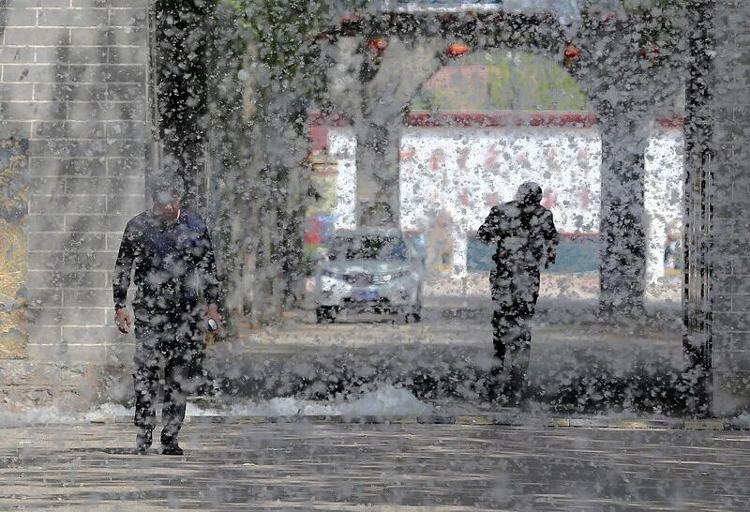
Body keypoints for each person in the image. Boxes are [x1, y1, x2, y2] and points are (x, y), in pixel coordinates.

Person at [113, 182, 222, 455]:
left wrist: (212, 307)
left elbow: (208, 267)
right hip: (149, 310)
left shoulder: (195, 226)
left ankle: (171, 435)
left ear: (179, 199)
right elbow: (123, 265)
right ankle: (144, 431)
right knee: (146, 371)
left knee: (178, 373)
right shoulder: (138, 226)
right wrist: (120, 305)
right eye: (163, 203)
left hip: (185, 311)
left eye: (173, 202)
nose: (169, 207)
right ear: (155, 202)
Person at [477, 182, 559, 406]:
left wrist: (501, 235)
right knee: (523, 321)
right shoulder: (543, 215)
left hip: (503, 274)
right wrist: (546, 257)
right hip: (527, 277)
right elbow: (552, 242)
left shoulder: (503, 211)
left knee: (501, 318)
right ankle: (517, 372)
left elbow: (483, 235)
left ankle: (499, 364)